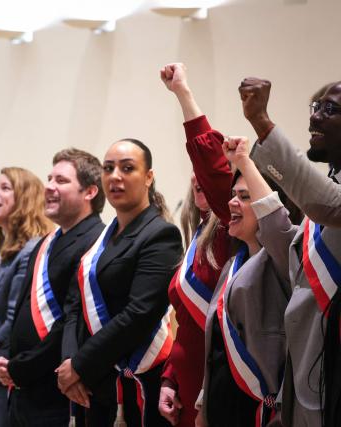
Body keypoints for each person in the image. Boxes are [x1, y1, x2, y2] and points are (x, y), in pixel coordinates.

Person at [56, 139, 183, 427]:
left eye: (127, 168)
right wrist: (69, 362)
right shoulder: (102, 238)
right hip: (95, 384)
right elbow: (75, 305)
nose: (115, 176)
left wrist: (79, 365)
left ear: (148, 177)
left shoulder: (161, 235)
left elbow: (139, 312)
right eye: (108, 168)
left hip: (138, 383)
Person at [240, 78, 341, 426]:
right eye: (316, 107)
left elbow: (327, 205)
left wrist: (262, 123)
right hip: (310, 373)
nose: (314, 118)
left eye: (330, 109)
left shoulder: (329, 201)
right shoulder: (331, 186)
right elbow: (294, 252)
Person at [0, 148, 106, 427]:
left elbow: (70, 321)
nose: (49, 187)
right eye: (49, 178)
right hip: (22, 388)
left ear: (90, 192)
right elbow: (20, 313)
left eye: (62, 181)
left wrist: (21, 368)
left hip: (57, 390)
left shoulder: (96, 242)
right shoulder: (46, 242)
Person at [157, 63, 232, 427]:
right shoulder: (197, 236)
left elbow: (214, 171)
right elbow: (185, 322)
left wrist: (183, 94)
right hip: (185, 388)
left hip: (220, 385)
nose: (198, 177)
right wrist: (169, 376)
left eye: (207, 170)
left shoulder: (232, 232)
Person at [0, 167, 53, 427]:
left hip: (3, 368)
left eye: (5, 188)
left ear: (26, 199)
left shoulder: (30, 250)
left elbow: (14, 317)